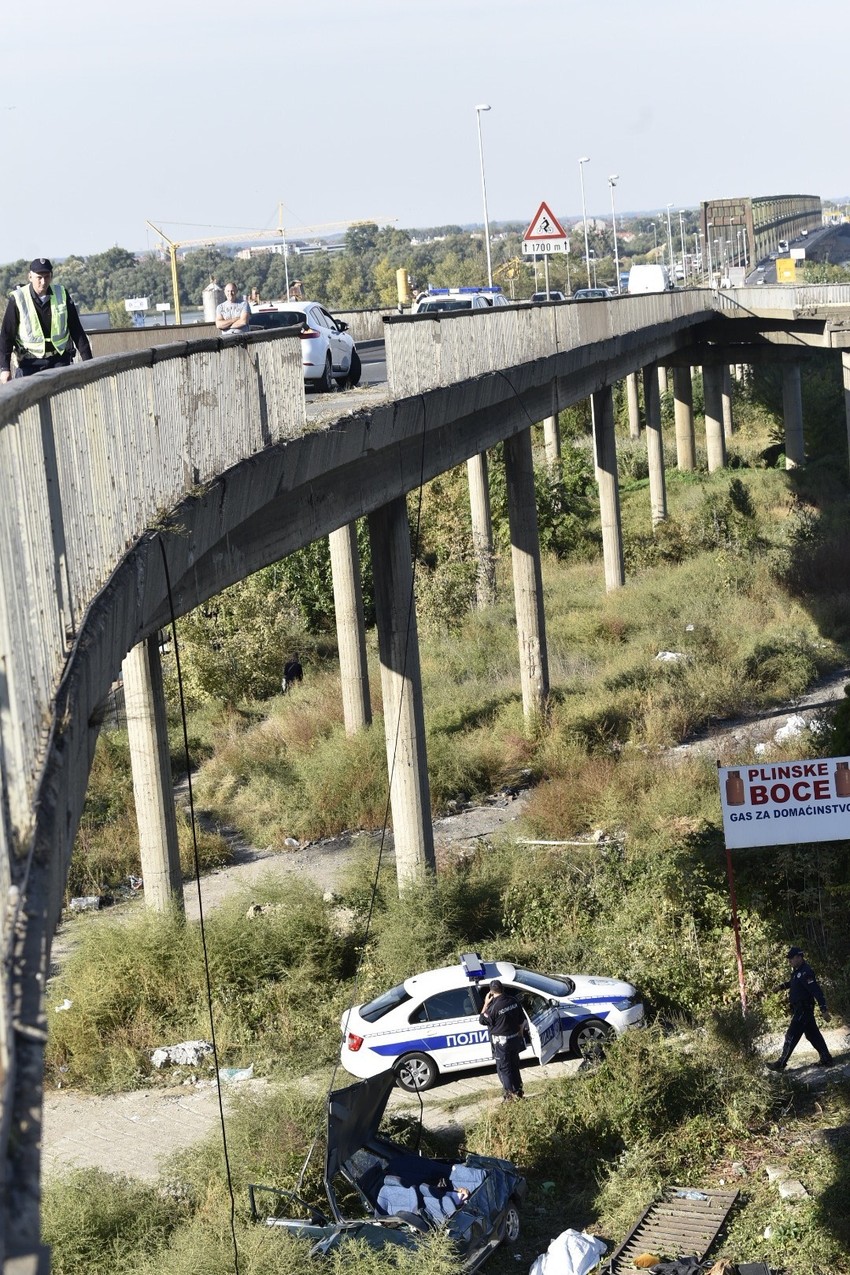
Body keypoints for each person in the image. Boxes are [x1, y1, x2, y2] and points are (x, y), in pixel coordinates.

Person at [0, 258, 93, 382]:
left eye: (47, 277)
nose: (43, 282)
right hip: (29, 363)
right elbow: (6, 335)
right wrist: (4, 368)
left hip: (58, 361)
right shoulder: (18, 298)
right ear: (30, 277)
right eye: (39, 277)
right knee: (28, 400)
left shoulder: (62, 294)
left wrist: (89, 362)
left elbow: (76, 329)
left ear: (51, 276)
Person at [767, 946, 834, 1070]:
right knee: (812, 1035)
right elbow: (792, 983)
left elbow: (816, 991)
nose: (789, 961)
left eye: (791, 959)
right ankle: (826, 1058)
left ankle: (781, 1063)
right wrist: (781, 987)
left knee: (791, 1035)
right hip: (800, 1009)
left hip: (804, 1009)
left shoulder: (806, 972)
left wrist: (823, 1009)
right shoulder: (797, 972)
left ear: (799, 957)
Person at [478, 979, 527, 1100]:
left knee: (504, 1070)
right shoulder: (514, 1000)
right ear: (502, 988)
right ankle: (519, 1092)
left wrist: (485, 1003)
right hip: (514, 1039)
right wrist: (520, 1034)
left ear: (491, 992)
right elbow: (522, 1021)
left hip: (502, 1044)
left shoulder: (493, 1008)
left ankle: (509, 1097)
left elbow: (481, 1020)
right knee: (514, 1067)